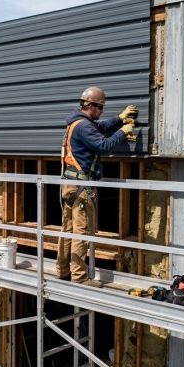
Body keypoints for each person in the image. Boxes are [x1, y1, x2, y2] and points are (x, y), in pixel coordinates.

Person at [56, 86, 137, 286]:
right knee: (81, 233)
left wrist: (119, 119)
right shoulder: (84, 127)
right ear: (91, 106)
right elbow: (104, 145)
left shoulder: (78, 123)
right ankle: (79, 276)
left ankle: (63, 270)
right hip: (81, 188)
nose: (101, 113)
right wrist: (123, 131)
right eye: (100, 108)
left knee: (68, 230)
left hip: (70, 185)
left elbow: (99, 127)